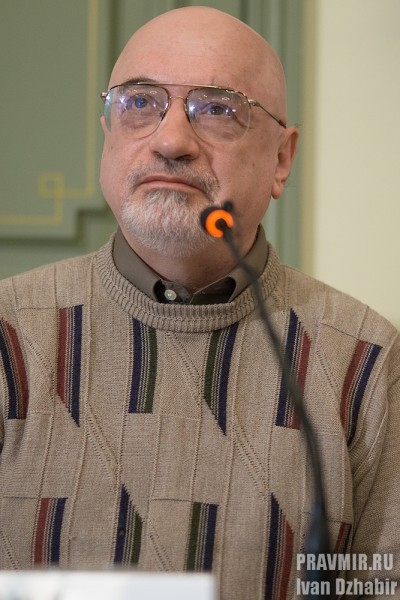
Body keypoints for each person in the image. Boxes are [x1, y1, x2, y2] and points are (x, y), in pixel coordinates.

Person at [0, 6, 399, 599]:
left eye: (216, 109)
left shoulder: (365, 360)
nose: (170, 141)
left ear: (282, 159)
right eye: (140, 102)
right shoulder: (9, 333)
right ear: (108, 135)